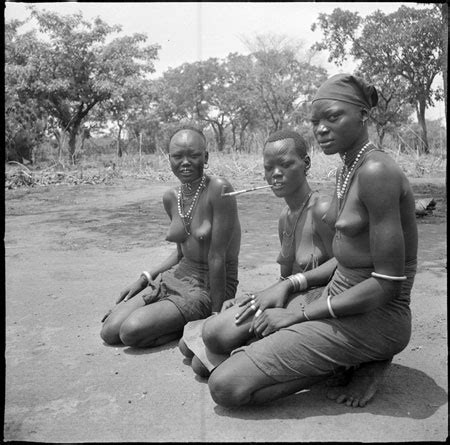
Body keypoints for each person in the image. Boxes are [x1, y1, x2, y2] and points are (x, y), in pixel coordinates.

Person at [206, 73, 418, 408]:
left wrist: (299, 316)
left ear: (363, 115)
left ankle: (357, 362)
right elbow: (345, 258)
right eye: (315, 121)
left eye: (333, 117)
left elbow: (387, 284)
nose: (321, 129)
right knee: (216, 334)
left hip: (377, 316)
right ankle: (334, 357)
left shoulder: (378, 172)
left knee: (225, 386)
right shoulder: (346, 168)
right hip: (335, 296)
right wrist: (290, 284)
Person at [179, 129, 335, 377]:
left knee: (212, 342)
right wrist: (254, 297)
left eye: (285, 165)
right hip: (290, 297)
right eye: (268, 167)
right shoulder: (286, 217)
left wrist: (293, 288)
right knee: (192, 348)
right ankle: (250, 347)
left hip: (313, 308)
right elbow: (285, 279)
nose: (275, 174)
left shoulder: (322, 209)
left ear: (306, 164)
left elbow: (345, 262)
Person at [100, 126, 241, 348]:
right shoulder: (171, 197)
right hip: (177, 275)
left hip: (209, 286)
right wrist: (146, 277)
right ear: (169, 159)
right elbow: (180, 255)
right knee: (109, 331)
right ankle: (166, 318)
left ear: (205, 157)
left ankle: (177, 327)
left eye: (193, 155)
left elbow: (217, 258)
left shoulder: (219, 190)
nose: (185, 162)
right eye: (177, 156)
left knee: (130, 332)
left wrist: (215, 315)